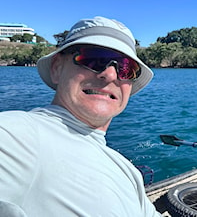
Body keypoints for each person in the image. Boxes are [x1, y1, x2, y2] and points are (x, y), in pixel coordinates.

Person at [0, 16, 161, 216]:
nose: (110, 74)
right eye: (93, 59)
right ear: (57, 68)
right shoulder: (17, 136)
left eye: (126, 68)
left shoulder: (127, 172)